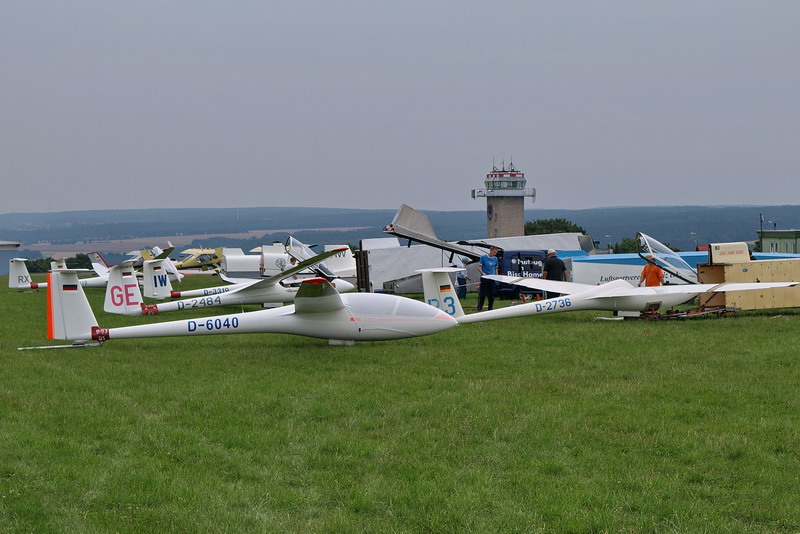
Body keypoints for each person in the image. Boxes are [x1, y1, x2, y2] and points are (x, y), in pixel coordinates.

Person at [476, 246, 499, 311]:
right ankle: (479, 307)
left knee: (491, 294)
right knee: (482, 293)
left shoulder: (495, 259)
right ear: (491, 251)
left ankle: (490, 308)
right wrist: (482, 272)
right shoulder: (483, 257)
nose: (495, 253)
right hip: (484, 278)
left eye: (496, 252)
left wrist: (497, 276)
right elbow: (478, 267)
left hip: (492, 278)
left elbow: (496, 268)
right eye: (494, 252)